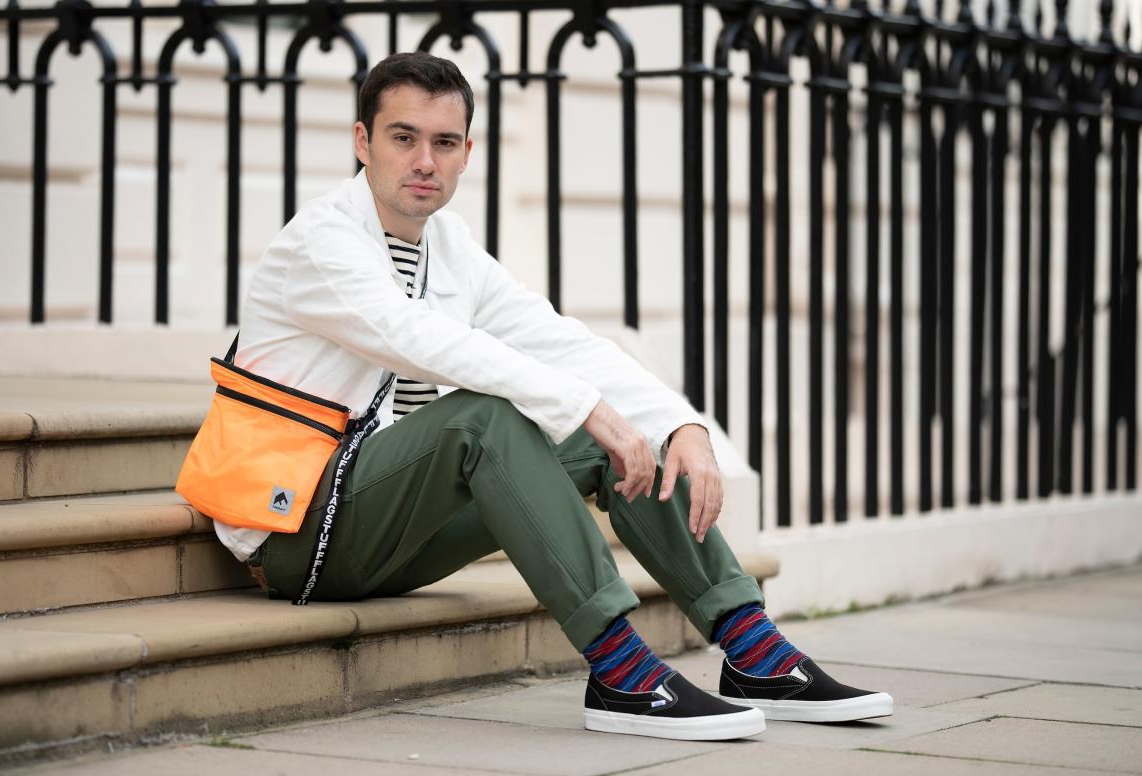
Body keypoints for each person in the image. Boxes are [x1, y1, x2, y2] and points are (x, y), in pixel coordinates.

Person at [215, 51, 892, 741]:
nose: (425, 160)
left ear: (467, 152)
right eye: (403, 137)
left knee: (599, 435)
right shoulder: (321, 241)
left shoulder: (449, 246)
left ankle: (756, 654)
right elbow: (418, 338)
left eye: (444, 142)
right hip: (298, 532)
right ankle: (622, 672)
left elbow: (556, 340)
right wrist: (585, 408)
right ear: (363, 142)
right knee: (485, 416)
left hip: (392, 528)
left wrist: (679, 425)